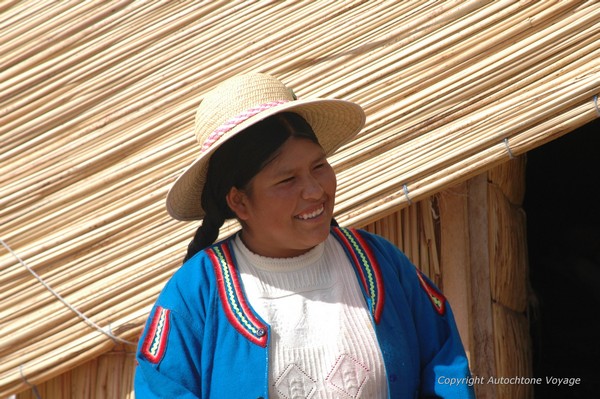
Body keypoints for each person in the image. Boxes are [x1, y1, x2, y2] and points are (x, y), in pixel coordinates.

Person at [134, 73, 475, 398]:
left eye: (319, 167)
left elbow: (446, 370)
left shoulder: (381, 264)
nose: (315, 191)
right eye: (287, 180)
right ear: (239, 201)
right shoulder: (196, 293)